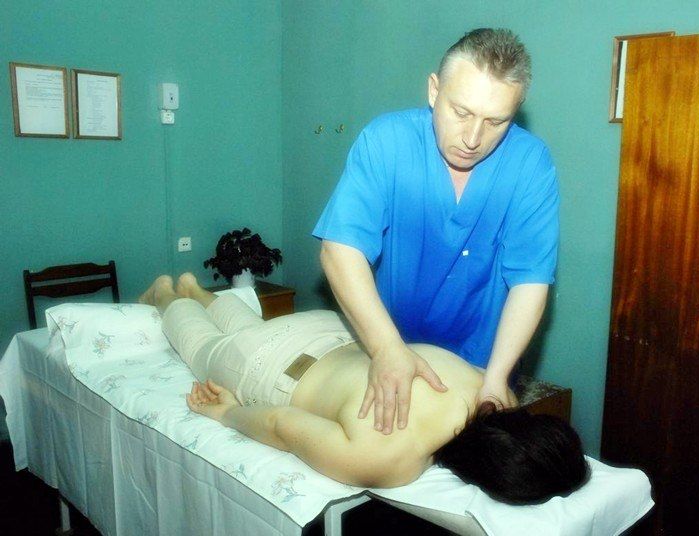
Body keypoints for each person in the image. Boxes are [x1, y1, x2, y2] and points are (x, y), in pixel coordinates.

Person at [139, 273, 587, 503]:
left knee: (252, 329)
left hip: (332, 332)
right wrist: (226, 412)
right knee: (203, 347)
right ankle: (166, 295)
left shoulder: (488, 388)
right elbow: (280, 424)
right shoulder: (393, 459)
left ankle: (199, 292)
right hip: (272, 367)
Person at [313, 28, 559, 435]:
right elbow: (339, 251)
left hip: (481, 365)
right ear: (433, 90)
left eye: (495, 121)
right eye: (461, 112)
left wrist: (497, 377)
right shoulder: (386, 142)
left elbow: (530, 281)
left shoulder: (530, 163)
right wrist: (386, 348)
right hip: (389, 344)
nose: (473, 138)